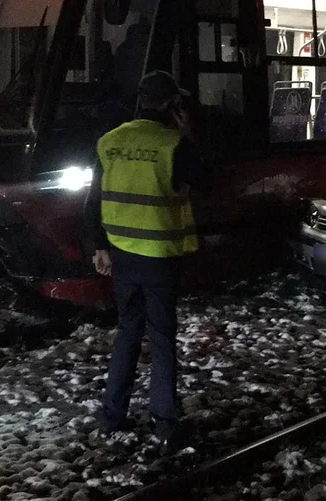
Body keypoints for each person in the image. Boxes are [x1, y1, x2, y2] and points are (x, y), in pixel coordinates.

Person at [86, 71, 206, 451]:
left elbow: (92, 200)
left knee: (128, 331)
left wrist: (99, 245)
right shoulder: (173, 145)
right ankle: (165, 423)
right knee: (162, 337)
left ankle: (111, 416)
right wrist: (188, 135)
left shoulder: (110, 142)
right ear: (172, 106)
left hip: (123, 254)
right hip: (159, 259)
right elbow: (207, 178)